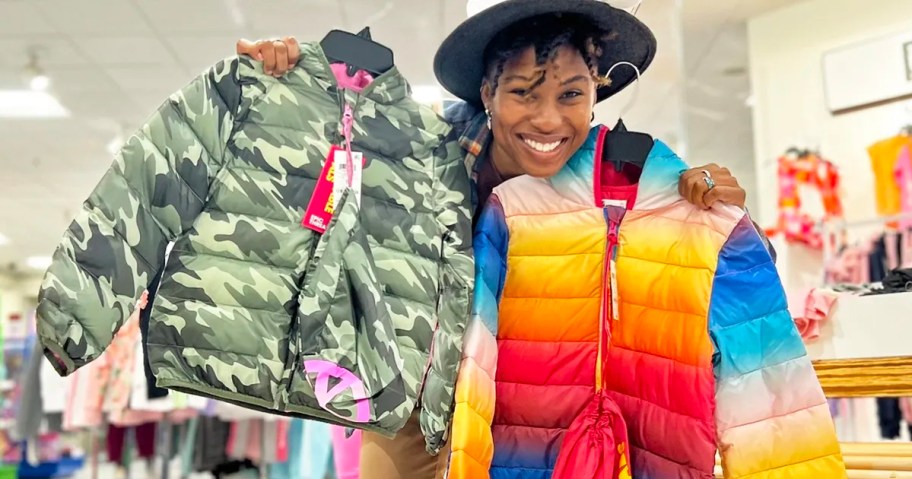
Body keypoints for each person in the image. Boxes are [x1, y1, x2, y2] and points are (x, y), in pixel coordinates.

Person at [235, 1, 778, 478]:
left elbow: (734, 274)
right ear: (487, 93)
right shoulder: (419, 153)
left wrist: (718, 207)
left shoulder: (619, 168)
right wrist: (285, 96)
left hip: (545, 413)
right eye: (522, 93)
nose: (548, 119)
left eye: (572, 94)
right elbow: (300, 206)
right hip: (418, 400)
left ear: (596, 92)